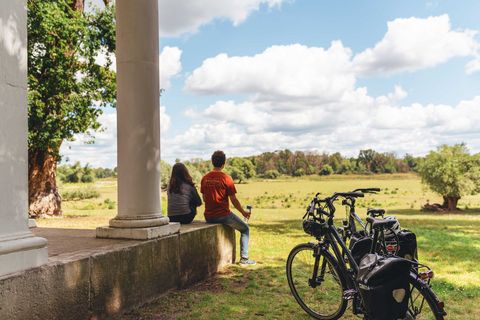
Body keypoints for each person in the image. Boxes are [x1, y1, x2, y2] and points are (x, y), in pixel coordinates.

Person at [201, 150, 256, 266]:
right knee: (245, 229)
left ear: (212, 162)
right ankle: (244, 259)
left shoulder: (205, 178)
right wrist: (243, 212)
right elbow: (234, 200)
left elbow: (205, 198)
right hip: (223, 215)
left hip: (208, 216)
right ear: (223, 163)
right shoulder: (226, 178)